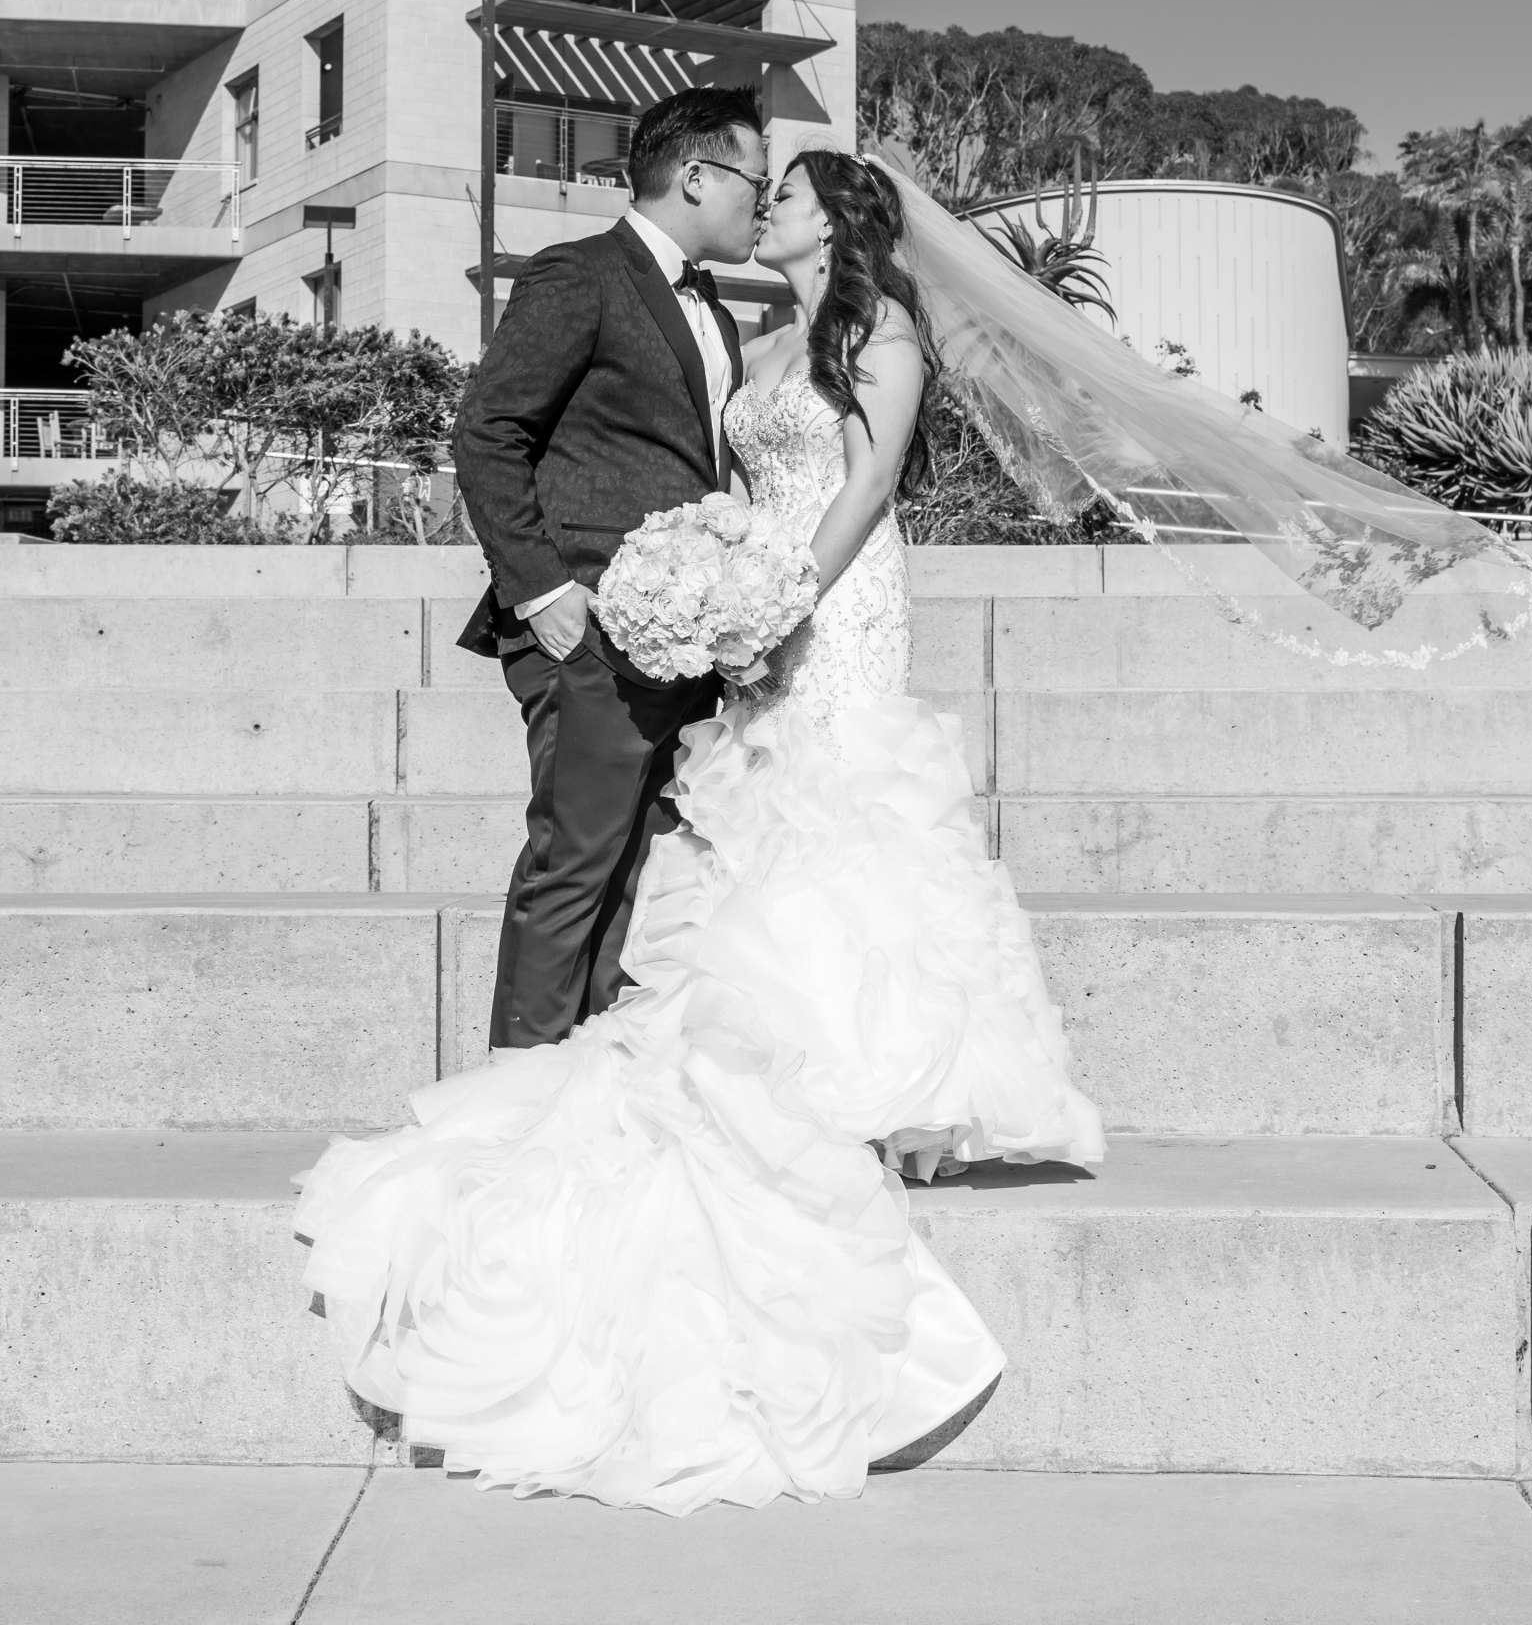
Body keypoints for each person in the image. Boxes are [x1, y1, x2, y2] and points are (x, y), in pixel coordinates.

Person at [294, 145, 1104, 1513]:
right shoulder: (759, 328)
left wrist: (781, 591)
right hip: (745, 610)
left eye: (785, 195)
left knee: (842, 813)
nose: (765, 208)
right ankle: (739, 1049)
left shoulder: (880, 330)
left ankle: (884, 1079)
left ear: (836, 220)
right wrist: (723, 585)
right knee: (750, 829)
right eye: (758, 186)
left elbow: (870, 482)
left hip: (829, 607)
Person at [452, 85, 766, 1049]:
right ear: (696, 175)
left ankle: (582, 1097)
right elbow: (487, 431)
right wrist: (544, 591)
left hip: (679, 640)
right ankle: (512, 1103)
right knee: (576, 864)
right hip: (585, 628)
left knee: (639, 872)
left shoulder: (714, 308)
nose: (763, 200)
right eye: (755, 181)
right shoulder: (581, 274)